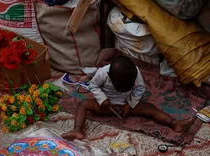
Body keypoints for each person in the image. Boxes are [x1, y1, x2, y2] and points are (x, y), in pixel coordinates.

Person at [62, 56, 194, 140]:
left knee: (151, 109)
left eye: (127, 87)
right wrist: (102, 99)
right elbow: (93, 86)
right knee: (83, 104)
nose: (123, 89)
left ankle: (174, 123)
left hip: (127, 105)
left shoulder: (135, 73)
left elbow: (140, 89)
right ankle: (78, 129)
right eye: (119, 87)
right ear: (109, 76)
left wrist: (130, 104)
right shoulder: (103, 73)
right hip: (107, 106)